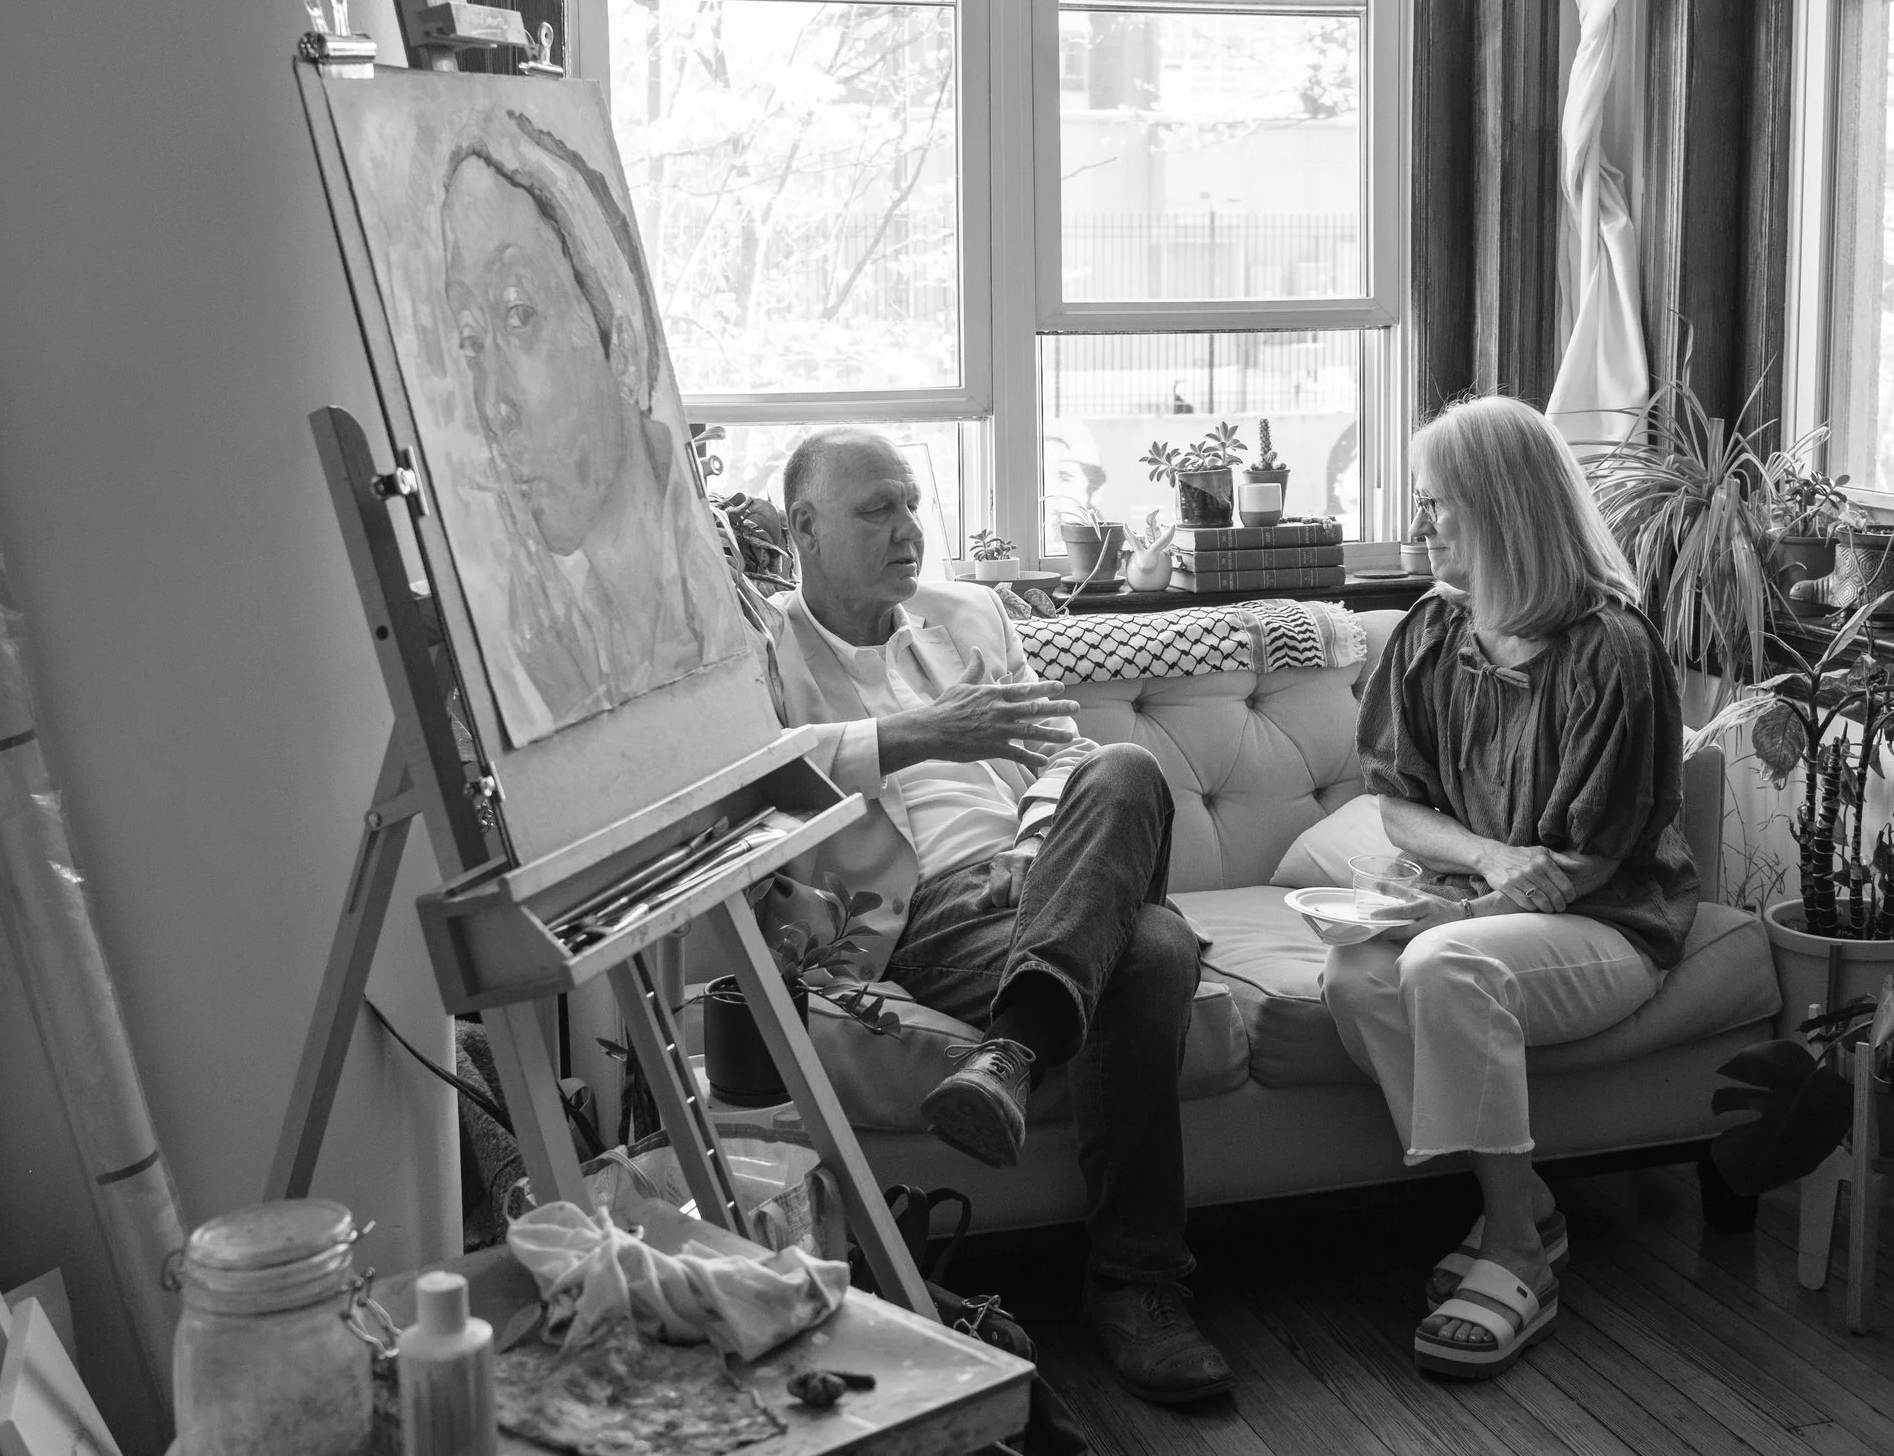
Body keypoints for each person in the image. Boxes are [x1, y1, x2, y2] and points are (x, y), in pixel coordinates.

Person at [762, 428, 1235, 1404]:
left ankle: (1011, 1050)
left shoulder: (969, 609)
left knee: (1125, 766)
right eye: (874, 510)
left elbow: (1064, 755)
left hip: (1050, 870)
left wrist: (1032, 847)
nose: (906, 530)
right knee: (1152, 949)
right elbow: (749, 776)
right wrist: (915, 732)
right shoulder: (759, 645)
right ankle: (1136, 1285)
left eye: (909, 503)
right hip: (923, 911)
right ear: (803, 526)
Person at [1321, 395, 1697, 1380]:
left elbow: (1588, 859)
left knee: (1445, 961)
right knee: (1354, 972)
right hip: (1489, 899)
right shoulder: (1432, 630)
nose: (1420, 525)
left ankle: (1517, 1252)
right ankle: (1526, 1205)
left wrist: (1461, 913)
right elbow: (1395, 803)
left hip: (1607, 917)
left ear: (1501, 511)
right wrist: (1480, 867)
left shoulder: (1612, 648)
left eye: (1437, 504)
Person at [437, 119, 739, 741]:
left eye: (519, 314)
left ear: (622, 348)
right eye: (471, 339)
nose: (493, 407)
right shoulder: (547, 643)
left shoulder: (723, 614)